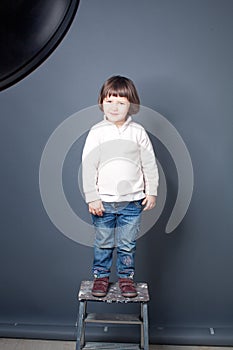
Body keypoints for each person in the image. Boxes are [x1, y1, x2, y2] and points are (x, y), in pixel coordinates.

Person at [82, 75, 159, 298]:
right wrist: (92, 197)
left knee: (127, 244)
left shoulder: (138, 133)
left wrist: (151, 191)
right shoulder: (97, 132)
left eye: (121, 102)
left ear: (131, 105)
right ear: (101, 102)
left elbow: (149, 164)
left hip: (132, 202)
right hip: (103, 202)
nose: (114, 107)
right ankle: (101, 277)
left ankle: (126, 277)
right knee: (104, 242)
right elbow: (88, 166)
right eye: (110, 101)